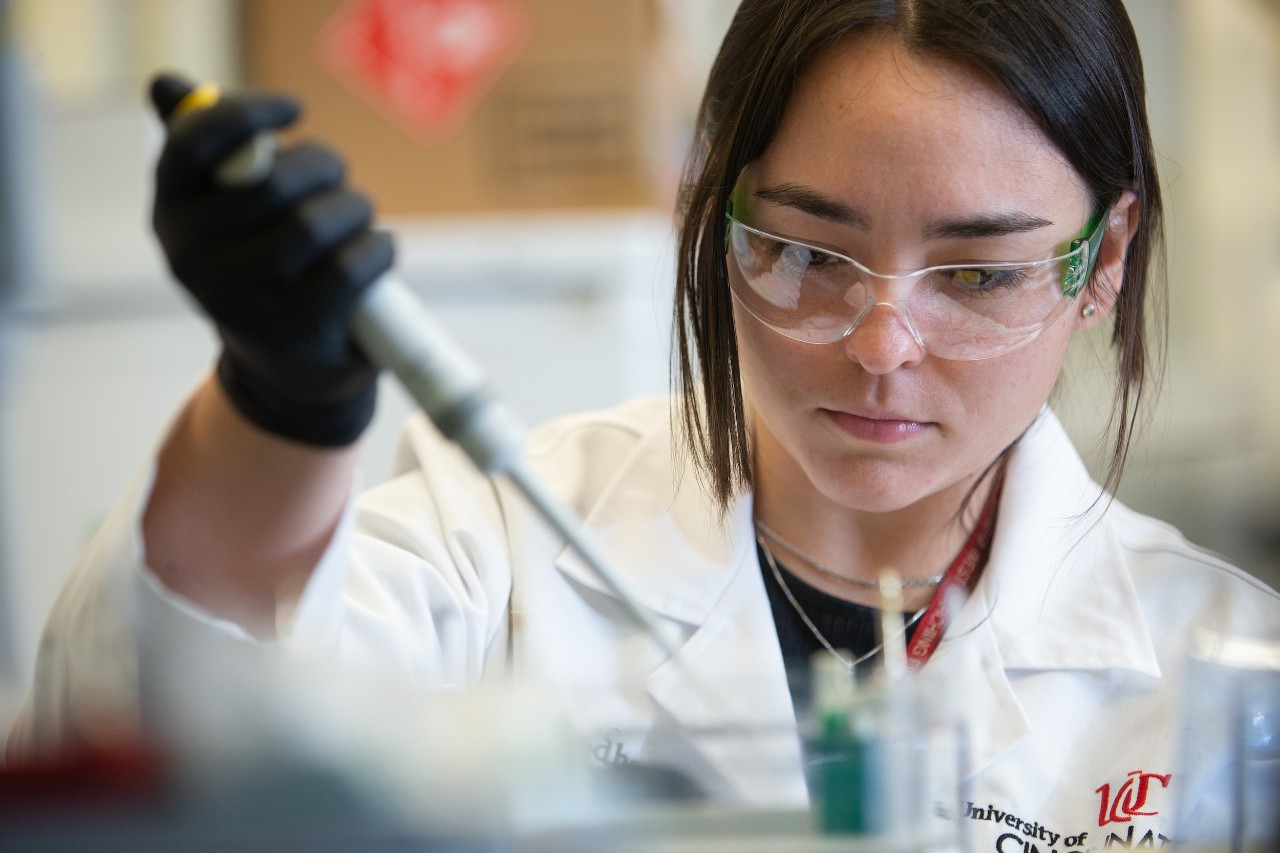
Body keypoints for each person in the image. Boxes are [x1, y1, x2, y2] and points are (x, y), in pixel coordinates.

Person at [8, 0, 1279, 845]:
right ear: (706, 210)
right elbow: (143, 731)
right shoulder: (496, 542)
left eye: (977, 274)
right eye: (801, 251)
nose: (880, 345)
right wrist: (281, 400)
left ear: (1101, 259)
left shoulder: (1229, 669)